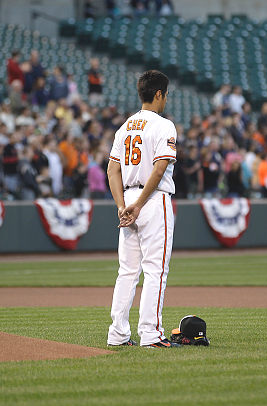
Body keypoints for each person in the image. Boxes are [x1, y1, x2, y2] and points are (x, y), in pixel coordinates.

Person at [106, 70, 178, 348]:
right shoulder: (164, 125)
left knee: (127, 272)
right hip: (151, 200)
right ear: (158, 94)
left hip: (128, 199)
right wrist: (138, 205)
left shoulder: (125, 127)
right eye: (166, 94)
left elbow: (113, 169)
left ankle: (118, 333)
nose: (166, 100)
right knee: (155, 270)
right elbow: (160, 168)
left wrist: (123, 206)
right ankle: (150, 334)